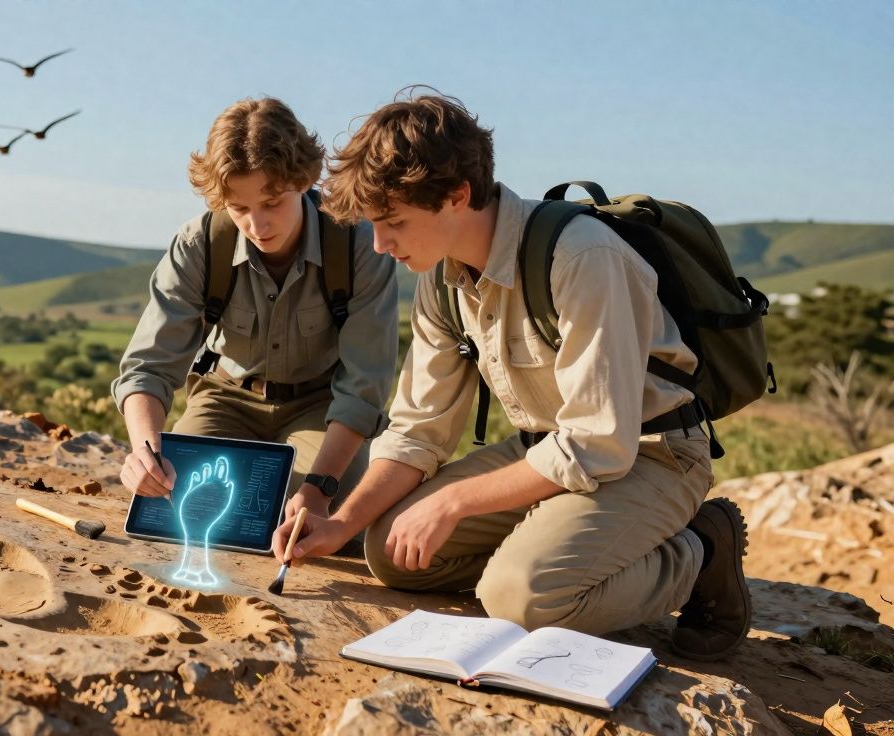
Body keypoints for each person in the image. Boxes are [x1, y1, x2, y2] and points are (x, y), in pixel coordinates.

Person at [273, 90, 750, 660]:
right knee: (389, 549)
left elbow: (598, 445)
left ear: (457, 196)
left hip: (651, 455)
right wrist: (339, 519)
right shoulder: (440, 278)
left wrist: (452, 504)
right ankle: (551, 546)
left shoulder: (582, 257)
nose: (380, 244)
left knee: (522, 597)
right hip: (547, 453)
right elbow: (418, 429)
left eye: (393, 222)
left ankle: (700, 552)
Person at [112, 97, 399, 529]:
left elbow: (364, 390)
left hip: (321, 408)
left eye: (272, 203)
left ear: (303, 181)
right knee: (171, 506)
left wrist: (320, 487)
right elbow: (148, 367)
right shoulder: (199, 244)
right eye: (240, 208)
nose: (258, 226)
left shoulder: (359, 244)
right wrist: (145, 452)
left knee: (308, 518)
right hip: (226, 398)